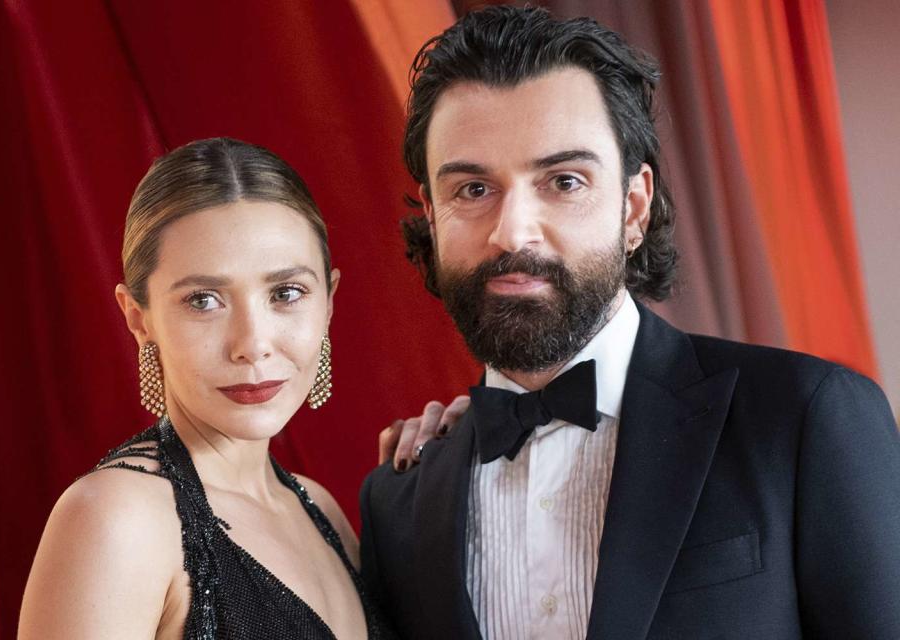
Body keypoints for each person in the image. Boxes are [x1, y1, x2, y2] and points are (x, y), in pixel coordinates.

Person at [360, 6, 900, 640]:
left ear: (633, 207)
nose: (512, 232)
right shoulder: (396, 499)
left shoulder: (808, 418)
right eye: (473, 190)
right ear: (431, 212)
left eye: (564, 181)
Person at [19, 138, 395, 639]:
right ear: (138, 318)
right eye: (204, 300)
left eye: (286, 293)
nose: (252, 345)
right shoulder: (114, 519)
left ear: (328, 302)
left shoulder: (320, 509)